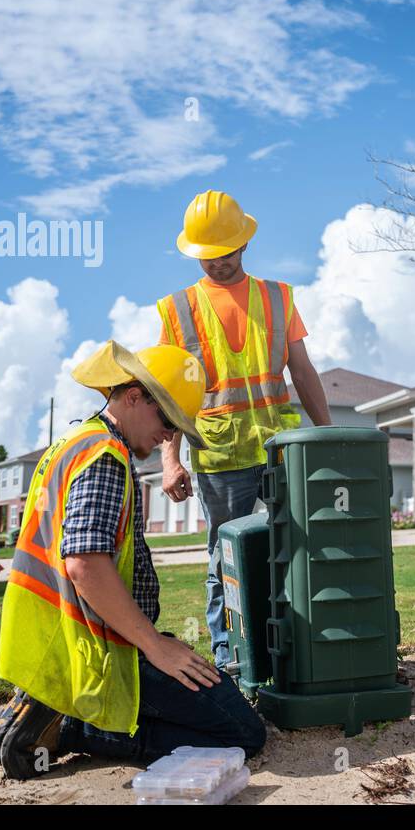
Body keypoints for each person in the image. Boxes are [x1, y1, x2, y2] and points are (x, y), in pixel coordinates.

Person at [0, 341, 266, 780]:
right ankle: (72, 728)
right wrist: (154, 647)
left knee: (213, 692)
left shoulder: (76, 441)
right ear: (133, 396)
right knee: (243, 732)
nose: (169, 436)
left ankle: (60, 708)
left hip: (66, 635)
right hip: (94, 647)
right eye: (167, 419)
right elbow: (84, 563)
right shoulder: (105, 458)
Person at [157, 190, 330, 670]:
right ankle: (231, 662)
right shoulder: (179, 309)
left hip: (280, 451)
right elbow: (171, 392)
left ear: (244, 244)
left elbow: (303, 370)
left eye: (225, 252)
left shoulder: (277, 296)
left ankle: (295, 653)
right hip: (218, 458)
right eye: (207, 255)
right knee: (224, 562)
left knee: (296, 552)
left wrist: (328, 434)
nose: (217, 263)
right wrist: (169, 460)